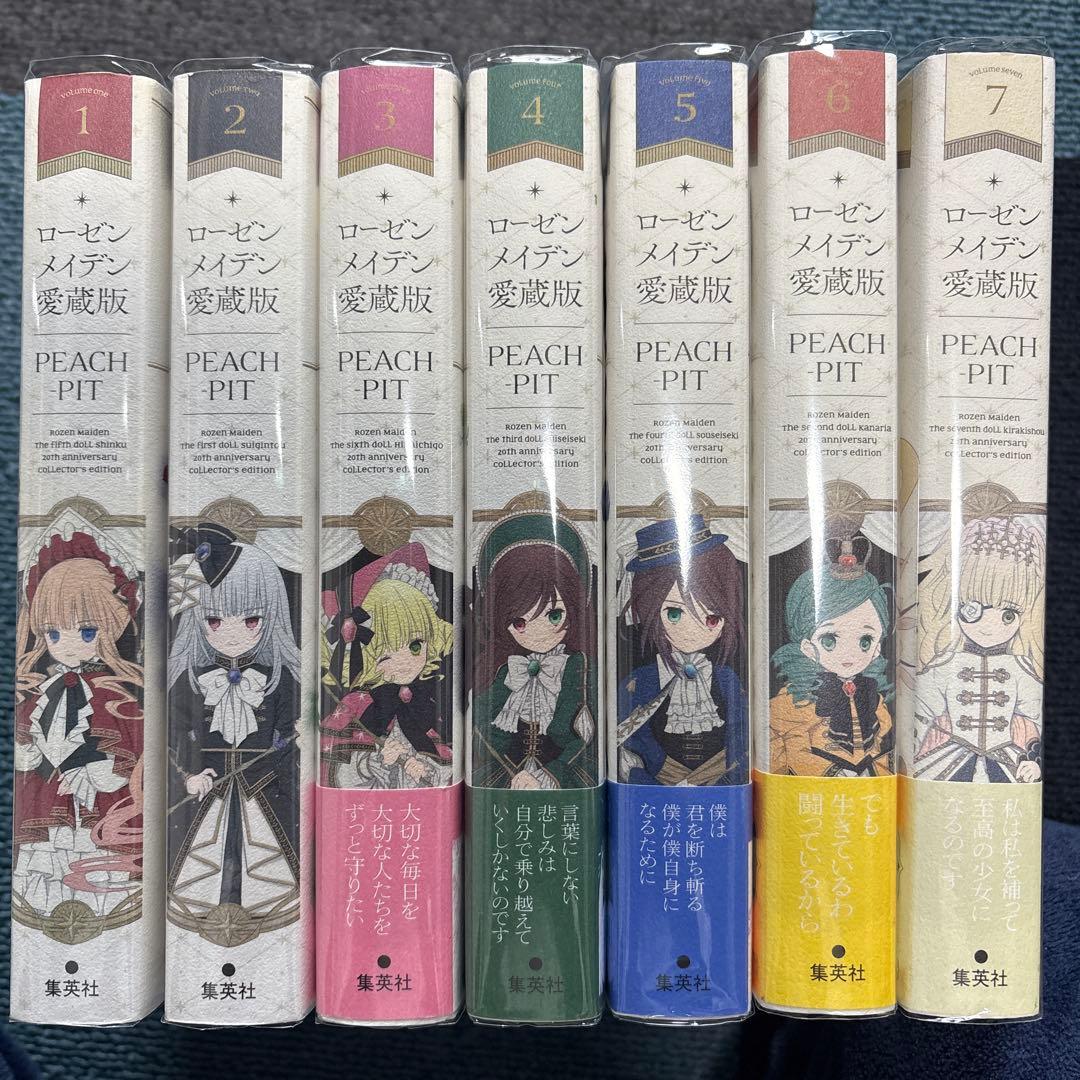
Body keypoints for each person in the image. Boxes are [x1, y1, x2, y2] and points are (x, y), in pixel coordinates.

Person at [617, 514, 748, 785]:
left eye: (711, 618)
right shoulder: (640, 680)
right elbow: (631, 735)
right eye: (674, 614)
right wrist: (662, 768)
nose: (692, 629)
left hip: (720, 784)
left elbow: (741, 732)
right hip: (655, 782)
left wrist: (716, 773)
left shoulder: (727, 679)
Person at [471, 511, 597, 790]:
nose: (538, 631)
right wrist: (511, 772)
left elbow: (588, 737)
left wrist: (549, 775)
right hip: (507, 774)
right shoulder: (506, 670)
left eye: (554, 615)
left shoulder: (580, 668)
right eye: (519, 621)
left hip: (564, 774)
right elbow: (482, 727)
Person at [912, 516, 1044, 783]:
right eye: (973, 609)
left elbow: (1032, 722)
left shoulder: (1021, 668)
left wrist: (1035, 760)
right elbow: (922, 713)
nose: (989, 625)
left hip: (1006, 757)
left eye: (1008, 614)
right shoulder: (945, 663)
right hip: (950, 755)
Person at [320, 542, 454, 788]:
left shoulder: (422, 701)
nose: (404, 662)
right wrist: (375, 761)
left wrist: (425, 768)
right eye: (384, 656)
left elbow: (446, 768)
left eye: (415, 646)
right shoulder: (355, 705)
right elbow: (333, 772)